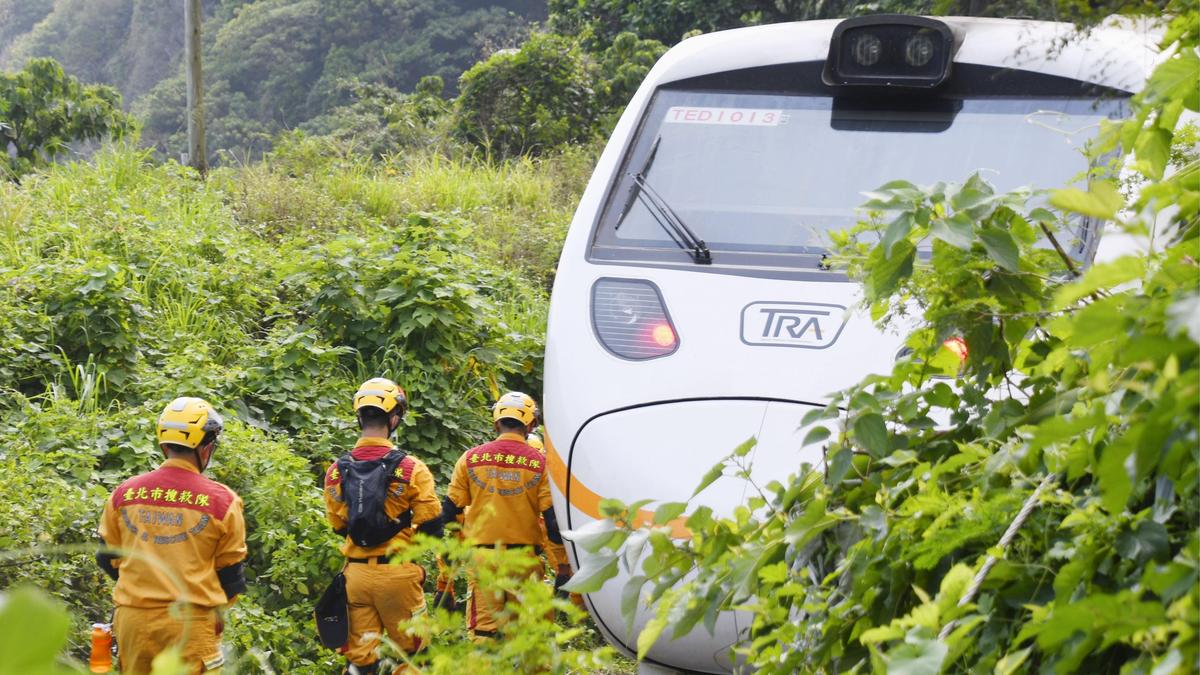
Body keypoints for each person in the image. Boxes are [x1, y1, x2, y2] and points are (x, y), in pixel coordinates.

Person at [97, 397, 247, 674]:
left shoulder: (124, 494)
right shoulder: (222, 501)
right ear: (206, 448)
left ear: (164, 445)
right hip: (190, 624)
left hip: (133, 622)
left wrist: (145, 589)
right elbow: (232, 576)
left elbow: (106, 557)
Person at [323, 378, 441, 674]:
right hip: (397, 575)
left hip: (356, 577)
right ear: (394, 418)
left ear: (359, 417)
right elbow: (432, 528)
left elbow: (338, 525)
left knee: (360, 660)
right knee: (414, 655)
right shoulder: (412, 468)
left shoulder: (337, 471)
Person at [441, 392, 565, 640]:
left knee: (485, 634)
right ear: (530, 425)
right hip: (524, 561)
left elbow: (449, 513)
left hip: (484, 560)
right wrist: (564, 568)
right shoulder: (541, 464)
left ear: (497, 422)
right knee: (531, 637)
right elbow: (553, 524)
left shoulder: (470, 459)